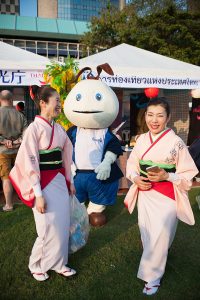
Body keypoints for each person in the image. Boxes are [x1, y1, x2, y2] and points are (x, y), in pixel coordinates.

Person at [124, 97, 198, 296]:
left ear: (168, 118)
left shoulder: (176, 143)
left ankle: (152, 277)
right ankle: (157, 257)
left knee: (160, 235)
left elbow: (188, 174)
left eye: (159, 115)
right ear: (145, 116)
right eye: (150, 115)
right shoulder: (141, 140)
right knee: (147, 232)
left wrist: (168, 175)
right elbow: (132, 163)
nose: (154, 120)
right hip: (145, 193)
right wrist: (135, 177)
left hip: (166, 196)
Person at [9, 86, 76, 282]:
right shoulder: (34, 129)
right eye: (56, 101)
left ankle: (60, 262)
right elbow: (29, 161)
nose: (59, 105)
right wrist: (37, 193)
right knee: (46, 227)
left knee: (62, 225)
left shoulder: (58, 128)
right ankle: (36, 265)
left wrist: (69, 181)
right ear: (43, 103)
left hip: (59, 181)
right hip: (42, 183)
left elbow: (66, 153)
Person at [0, 90, 28, 211]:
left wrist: (4, 141)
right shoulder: (20, 115)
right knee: (20, 176)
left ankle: (9, 205)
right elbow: (27, 134)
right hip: (19, 151)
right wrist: (17, 141)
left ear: (0, 99)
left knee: (6, 178)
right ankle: (25, 200)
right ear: (11, 100)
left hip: (3, 151)